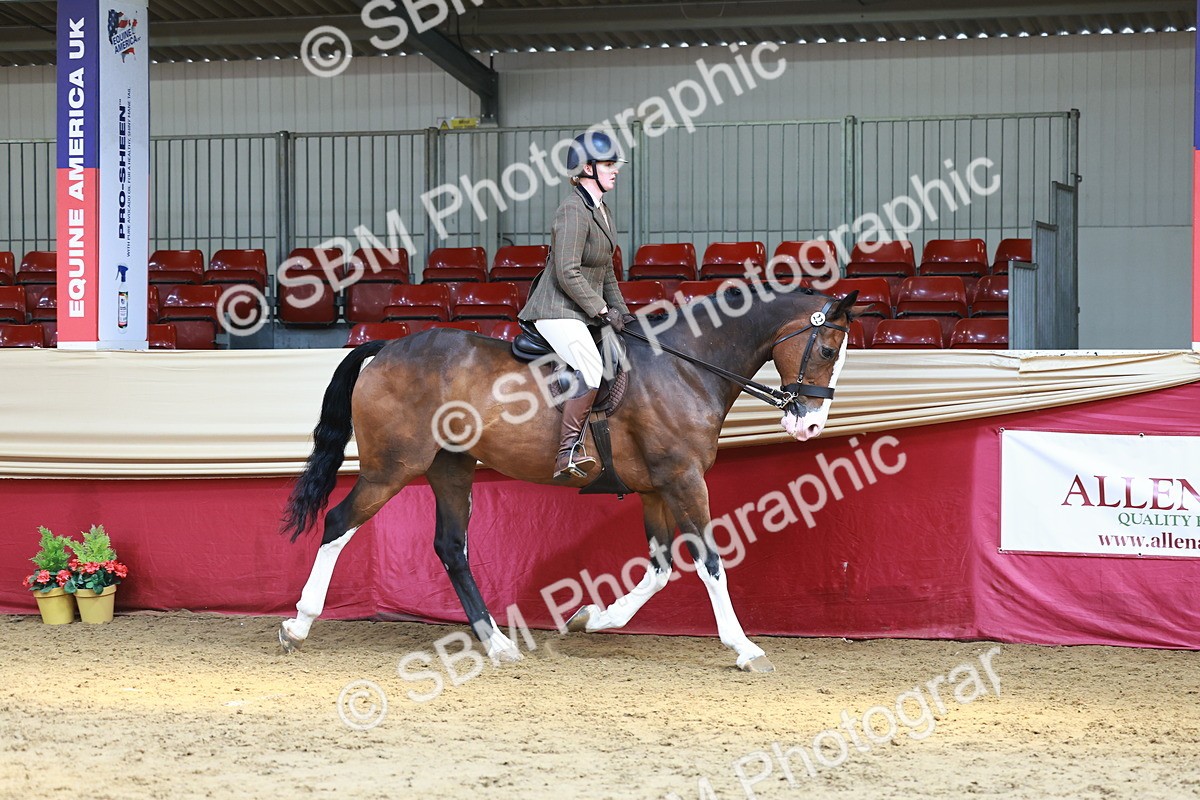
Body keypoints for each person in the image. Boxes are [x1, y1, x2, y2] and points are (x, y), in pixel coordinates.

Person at [518, 131, 633, 482]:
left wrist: (623, 312)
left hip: (581, 308)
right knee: (591, 363)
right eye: (609, 164)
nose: (615, 171)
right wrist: (601, 310)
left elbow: (605, 272)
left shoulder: (601, 210)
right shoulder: (571, 210)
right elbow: (567, 272)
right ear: (586, 168)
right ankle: (566, 451)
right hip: (556, 309)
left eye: (615, 164)